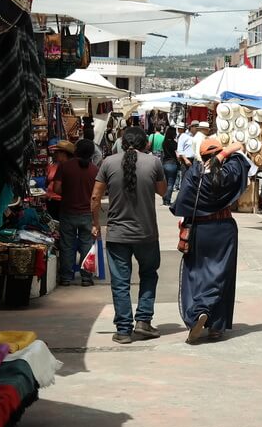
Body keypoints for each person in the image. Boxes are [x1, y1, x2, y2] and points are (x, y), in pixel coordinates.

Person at [172, 136, 250, 343]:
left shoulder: (194, 173)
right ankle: (216, 327)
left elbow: (181, 202)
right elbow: (242, 157)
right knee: (221, 275)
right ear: (221, 153)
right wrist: (227, 152)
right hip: (224, 228)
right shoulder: (232, 169)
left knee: (195, 273)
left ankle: (197, 312)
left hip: (199, 229)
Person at [92, 126, 166, 344]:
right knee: (149, 275)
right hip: (147, 234)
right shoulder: (154, 162)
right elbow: (162, 191)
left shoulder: (108, 162)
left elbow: (95, 197)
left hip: (117, 234)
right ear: (145, 143)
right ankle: (143, 321)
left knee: (120, 282)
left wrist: (95, 223)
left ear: (121, 143)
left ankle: (124, 330)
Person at [52, 139, 99, 287]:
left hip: (68, 211)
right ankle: (86, 278)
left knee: (67, 245)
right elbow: (97, 194)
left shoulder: (65, 167)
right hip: (86, 213)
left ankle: (66, 277)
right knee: (86, 244)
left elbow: (57, 189)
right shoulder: (94, 170)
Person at [45, 140, 74, 221]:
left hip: (61, 202)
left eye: (57, 152)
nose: (54, 154)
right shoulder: (53, 166)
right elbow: (48, 181)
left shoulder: (71, 167)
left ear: (64, 153)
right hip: (51, 200)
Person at [160, 126, 181, 206]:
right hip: (172, 164)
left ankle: (164, 198)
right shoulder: (174, 143)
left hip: (165, 163)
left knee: (165, 183)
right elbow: (177, 154)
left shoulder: (164, 142)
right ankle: (167, 200)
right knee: (170, 183)